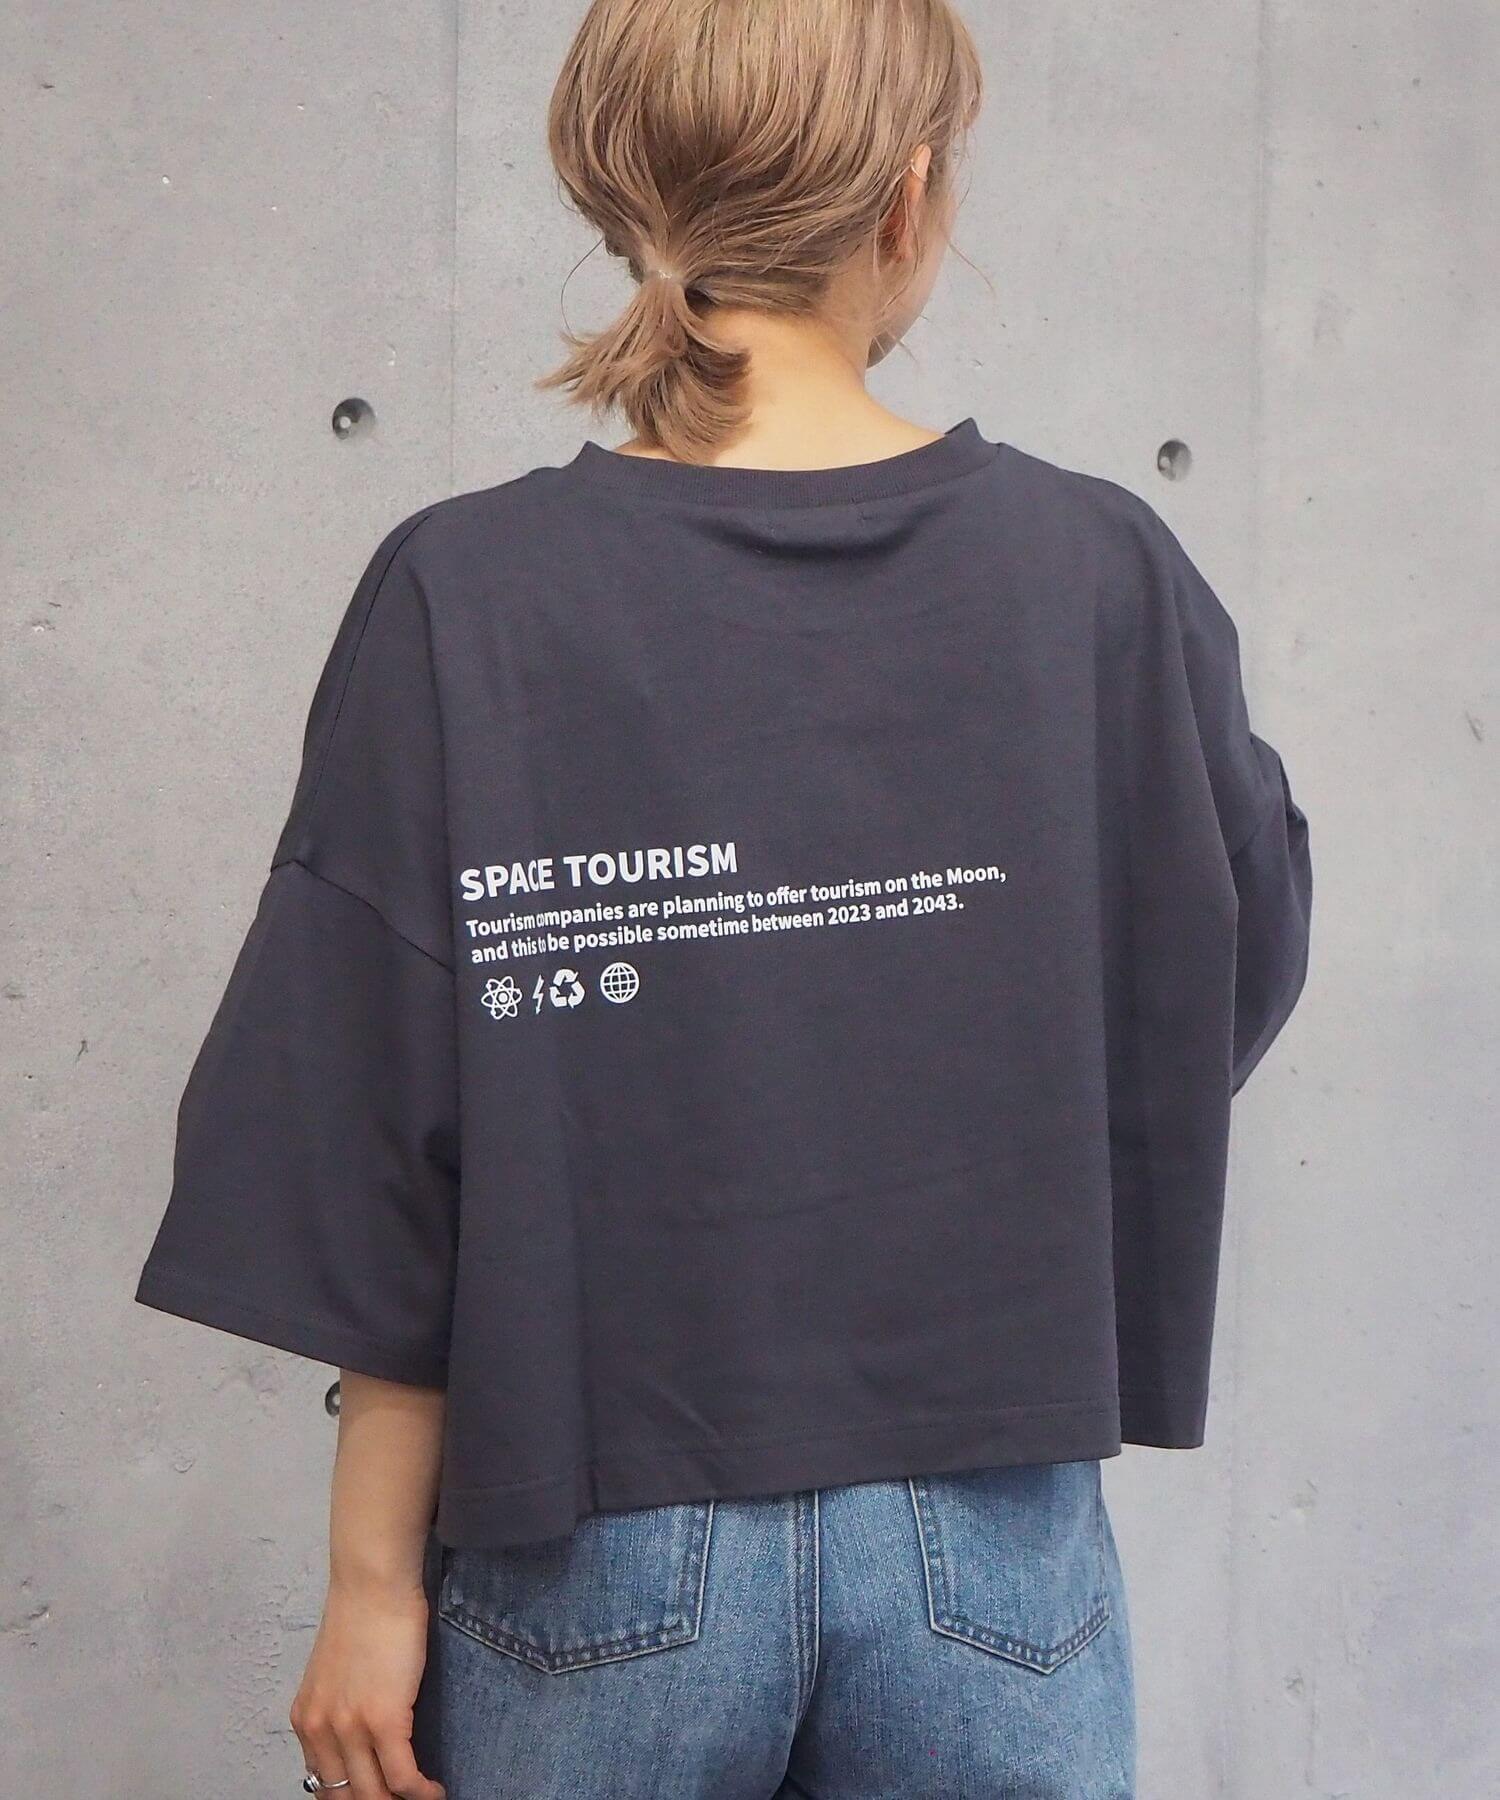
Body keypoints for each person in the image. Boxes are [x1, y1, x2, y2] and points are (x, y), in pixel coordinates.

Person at [132, 0, 1313, 1795]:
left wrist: (370, 1584)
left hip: (598, 1543)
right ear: (910, 195)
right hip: (990, 1533)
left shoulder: (471, 592)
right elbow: (1217, 956)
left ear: (627, 198)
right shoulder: (1098, 574)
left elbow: (376, 1117)